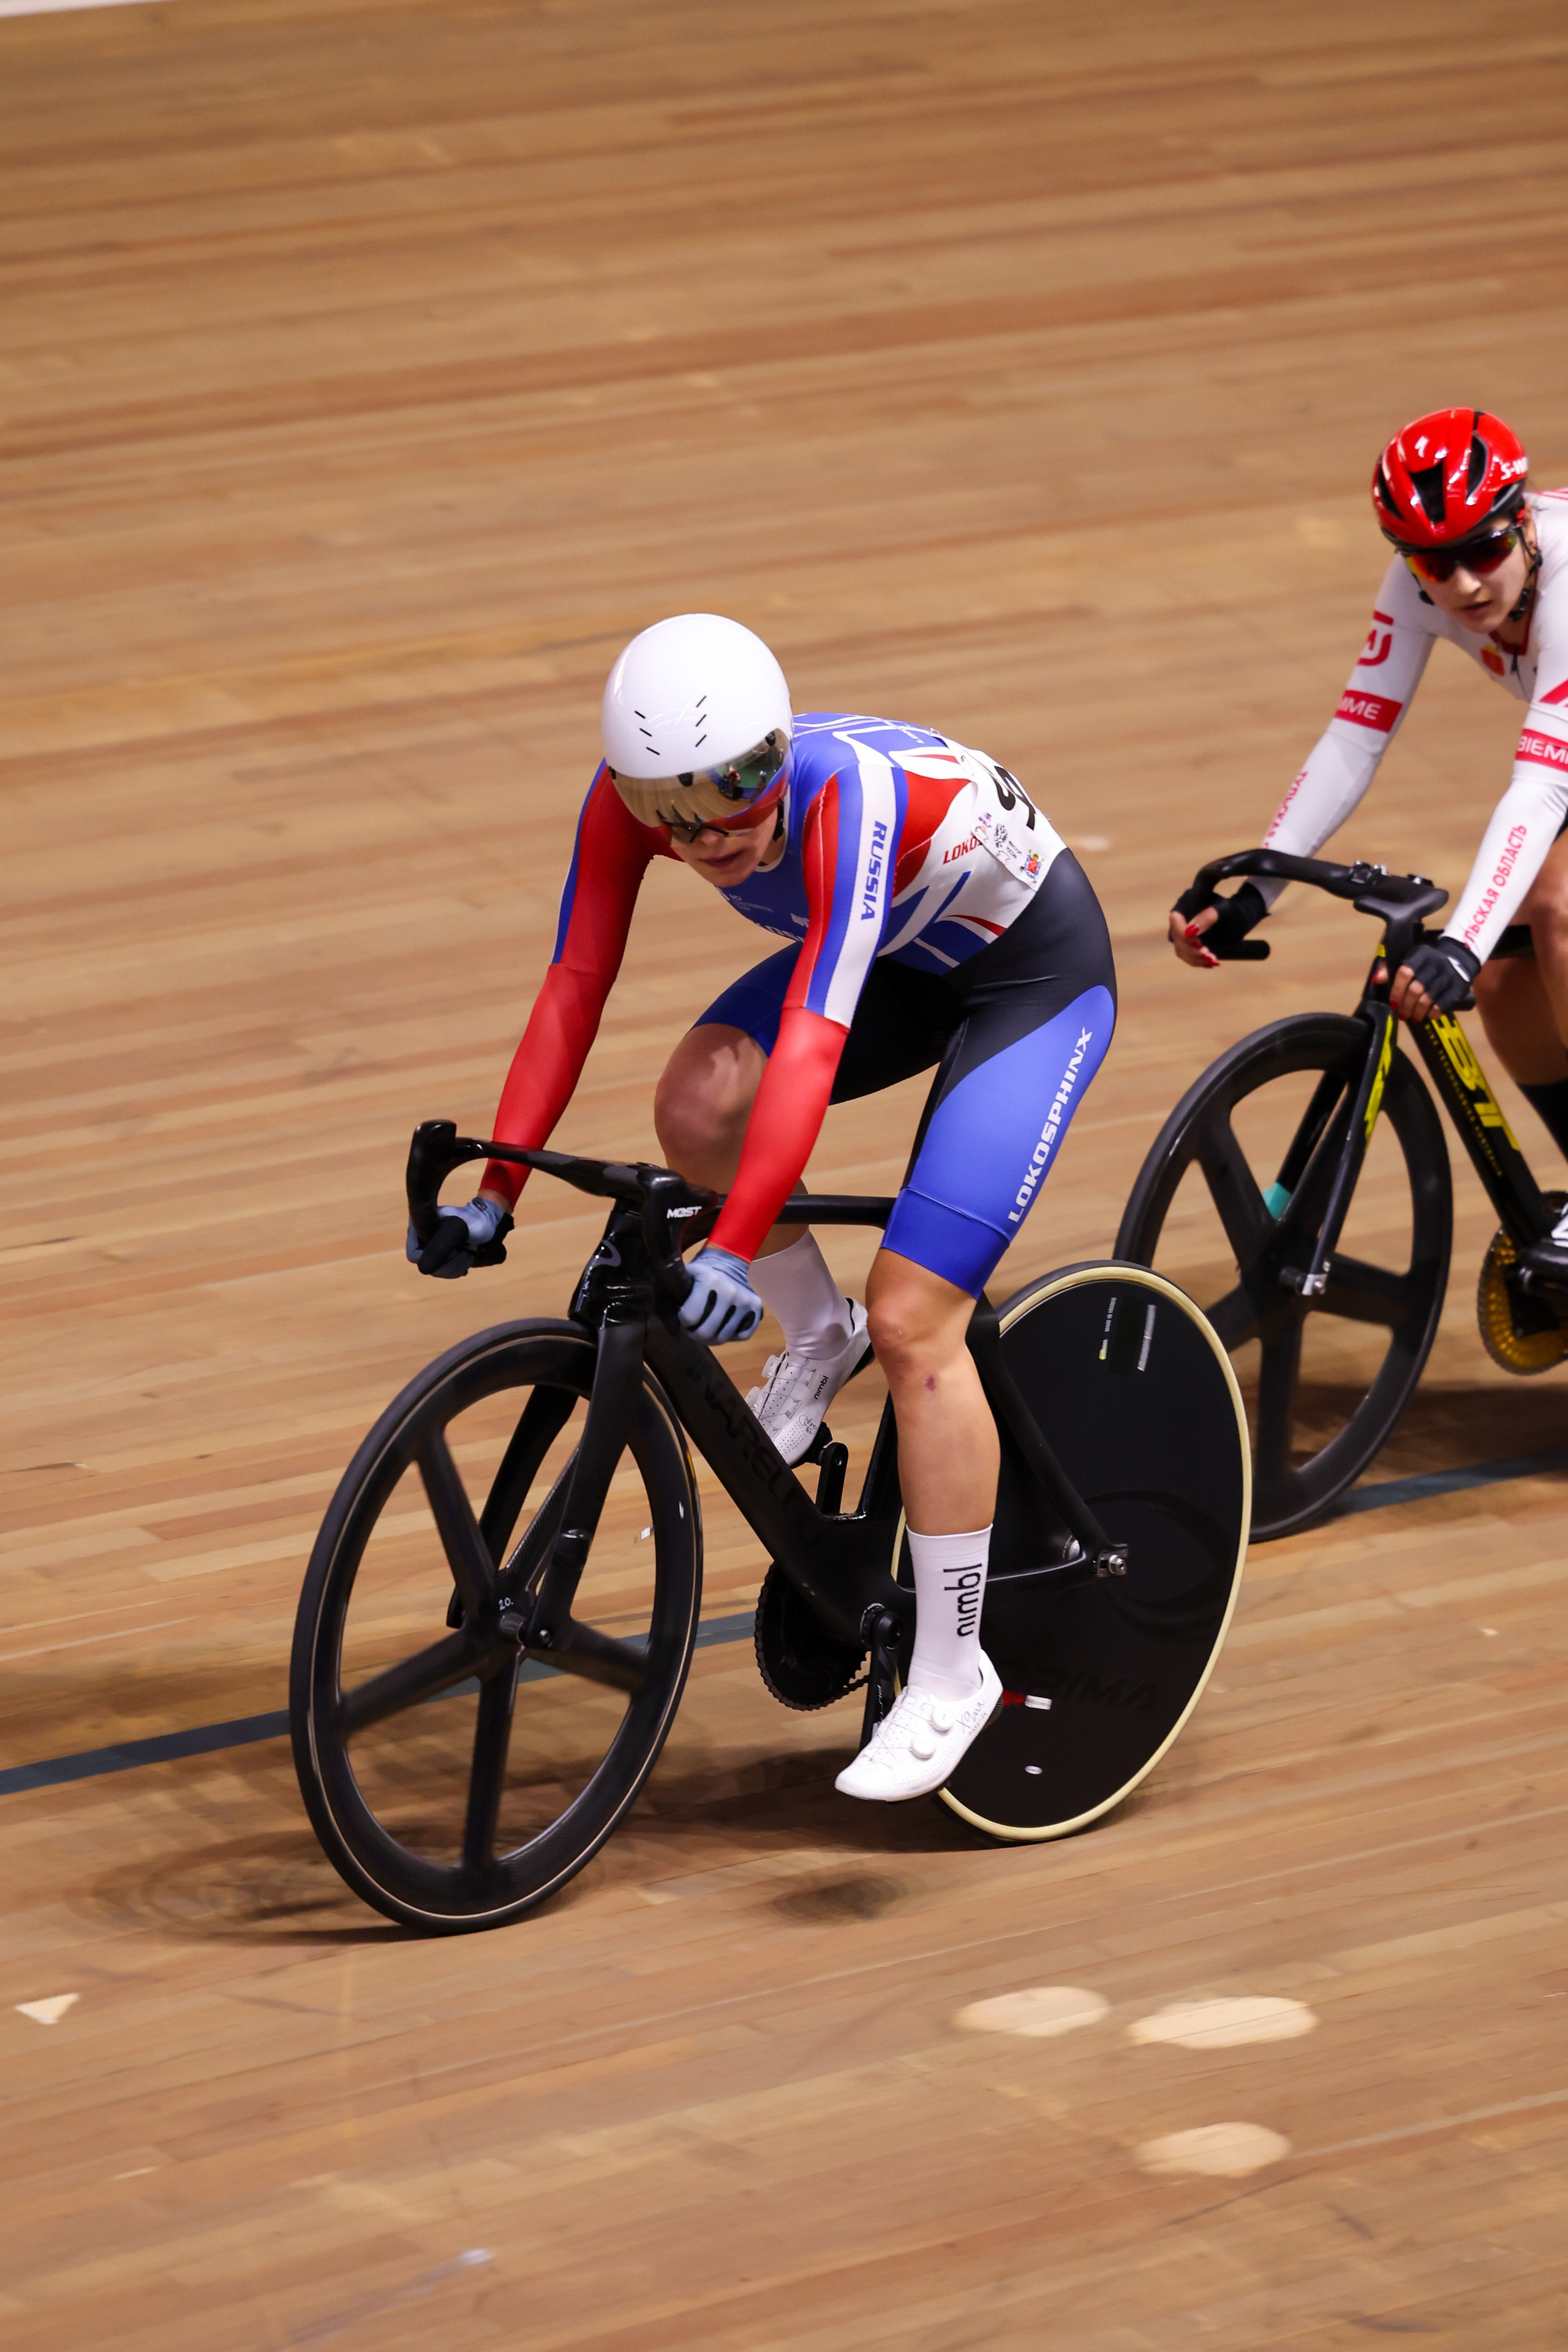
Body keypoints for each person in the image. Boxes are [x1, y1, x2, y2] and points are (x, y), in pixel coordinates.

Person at [412, 612, 1116, 1802]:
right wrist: (497, 1189)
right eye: (667, 808)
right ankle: (817, 1333)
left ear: (778, 754)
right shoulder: (635, 808)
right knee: (695, 1109)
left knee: (915, 1321)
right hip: (894, 957)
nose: (706, 833)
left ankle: (954, 1673)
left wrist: (731, 1248)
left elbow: (811, 1041)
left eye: (735, 789)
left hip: (1026, 981)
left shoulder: (847, 799)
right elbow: (574, 982)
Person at [1168, 407, 1568, 1282]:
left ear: (1524, 521)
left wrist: (1460, 941)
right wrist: (1259, 887)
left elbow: (1543, 788)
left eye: (1484, 549)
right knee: (1507, 985)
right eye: (1434, 562)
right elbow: (1356, 736)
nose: (1464, 584)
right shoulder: (1421, 585)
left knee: (1557, 908)